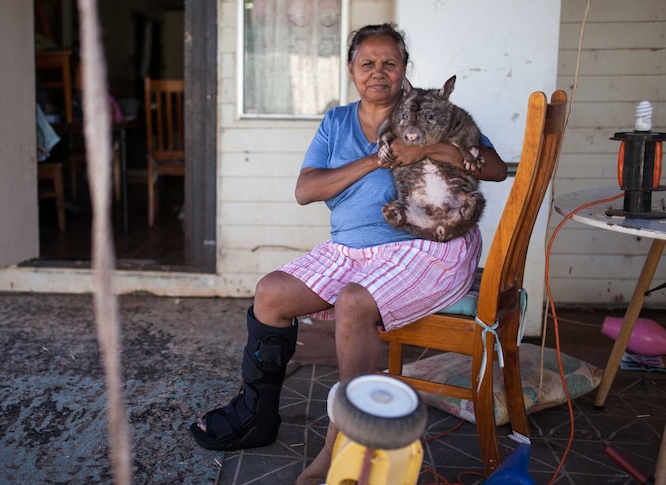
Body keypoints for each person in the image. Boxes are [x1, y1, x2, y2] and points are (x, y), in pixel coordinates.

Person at [189, 23, 508, 483]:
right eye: (367, 63)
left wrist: (430, 147)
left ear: (404, 70)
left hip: (427, 247)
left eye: (389, 63)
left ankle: (346, 441)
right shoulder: (337, 122)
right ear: (352, 70)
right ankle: (257, 415)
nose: (378, 72)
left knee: (354, 302)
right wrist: (377, 159)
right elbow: (305, 190)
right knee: (271, 293)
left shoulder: (429, 111)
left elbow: (494, 168)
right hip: (352, 248)